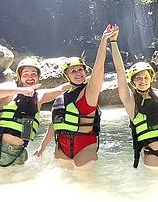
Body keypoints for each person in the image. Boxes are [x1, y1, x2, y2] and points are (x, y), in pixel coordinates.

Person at [35, 25, 117, 167]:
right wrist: (41, 147)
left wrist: (104, 41)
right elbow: (54, 124)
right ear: (67, 76)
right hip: (61, 148)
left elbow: (98, 67)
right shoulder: (60, 97)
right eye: (73, 71)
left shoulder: (90, 92)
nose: (78, 73)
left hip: (85, 147)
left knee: (85, 186)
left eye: (81, 69)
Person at [0, 57, 70, 172]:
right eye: (26, 74)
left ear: (38, 77)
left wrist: (87, 79)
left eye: (34, 74)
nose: (30, 77)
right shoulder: (10, 88)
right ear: (20, 77)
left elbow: (63, 88)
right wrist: (20, 91)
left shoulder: (40, 96)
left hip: (17, 153)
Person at [110, 25, 158, 168]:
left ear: (151, 78)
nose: (142, 81)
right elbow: (120, 72)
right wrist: (113, 42)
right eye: (138, 78)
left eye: (145, 77)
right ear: (132, 81)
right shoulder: (130, 101)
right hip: (153, 154)